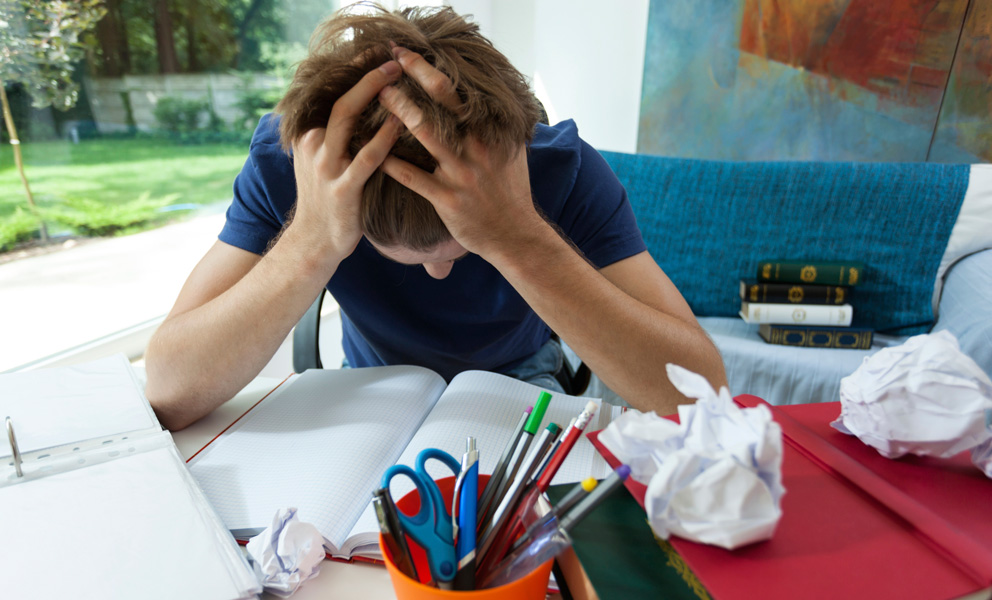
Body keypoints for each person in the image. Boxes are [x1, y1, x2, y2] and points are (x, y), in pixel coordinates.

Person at [144, 4, 727, 431]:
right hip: (368, 381)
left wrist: (518, 239)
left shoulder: (560, 169)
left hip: (518, 374)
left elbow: (703, 396)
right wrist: (311, 241)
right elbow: (168, 390)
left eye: (459, 249)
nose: (439, 278)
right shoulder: (296, 164)